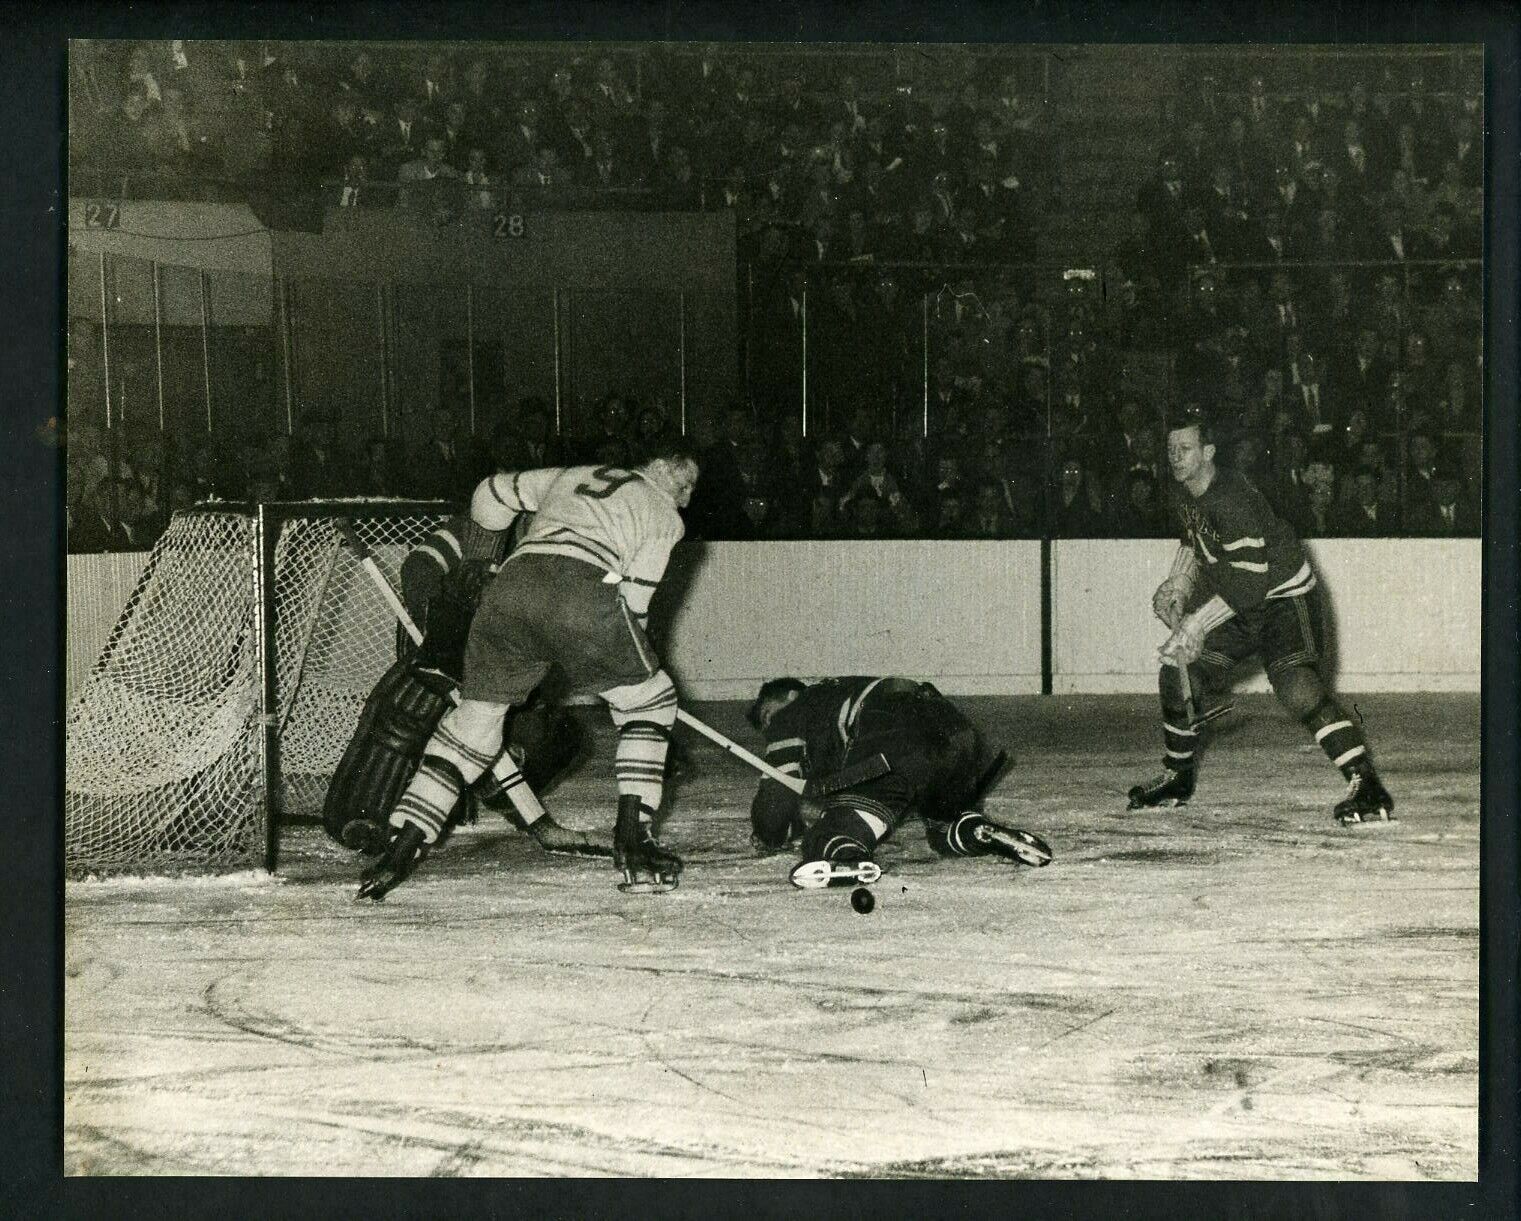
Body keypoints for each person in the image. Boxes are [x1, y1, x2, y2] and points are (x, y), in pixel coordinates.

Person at [358, 439, 701, 900]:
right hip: (582, 591)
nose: (687, 493)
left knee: (472, 729)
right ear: (657, 465)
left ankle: (402, 847)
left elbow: (490, 493)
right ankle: (634, 840)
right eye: (685, 480)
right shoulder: (665, 516)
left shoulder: (574, 471)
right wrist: (627, 669)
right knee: (652, 702)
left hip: (507, 593)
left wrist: (483, 548)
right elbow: (635, 606)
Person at [1131, 409, 1394, 825]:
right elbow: (1195, 539)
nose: (1175, 457)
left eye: (1185, 448)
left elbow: (1251, 588)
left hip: (1284, 599)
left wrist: (1195, 624)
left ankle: (1367, 785)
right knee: (1179, 672)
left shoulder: (1232, 499)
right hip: (1243, 597)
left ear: (1209, 452)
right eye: (1171, 448)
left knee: (1296, 686)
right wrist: (1178, 584)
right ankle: (1178, 778)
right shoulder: (1189, 490)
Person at [747, 676, 1053, 888]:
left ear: (790, 697)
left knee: (834, 831)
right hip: (956, 734)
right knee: (942, 827)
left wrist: (768, 834)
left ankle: (846, 854)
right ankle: (973, 830)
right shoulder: (841, 693)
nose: (769, 728)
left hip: (893, 737)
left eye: (768, 715)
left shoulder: (794, 712)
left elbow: (778, 787)